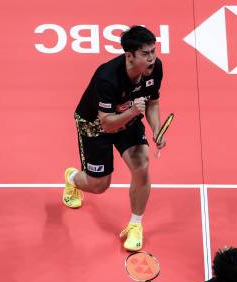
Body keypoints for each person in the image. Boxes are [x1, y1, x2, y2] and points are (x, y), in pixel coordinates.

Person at [62, 25, 166, 251]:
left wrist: (156, 128)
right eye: (145, 54)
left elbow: (153, 102)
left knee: (142, 164)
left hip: (127, 119)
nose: (152, 58)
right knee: (99, 185)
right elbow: (107, 122)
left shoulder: (155, 68)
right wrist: (132, 112)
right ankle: (71, 179)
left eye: (153, 51)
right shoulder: (107, 77)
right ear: (129, 56)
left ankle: (135, 224)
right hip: (95, 125)